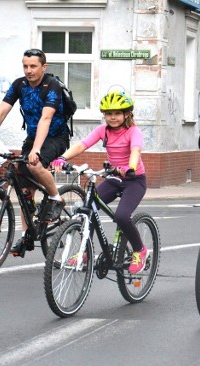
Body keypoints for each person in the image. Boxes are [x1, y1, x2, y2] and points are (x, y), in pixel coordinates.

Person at [0, 48, 69, 257]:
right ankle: (27, 236)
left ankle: (56, 198)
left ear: (44, 67)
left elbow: (46, 118)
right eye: (25, 66)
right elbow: (1, 112)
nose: (28, 70)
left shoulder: (51, 85)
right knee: (23, 187)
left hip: (55, 137)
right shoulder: (20, 84)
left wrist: (36, 149)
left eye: (33, 66)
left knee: (34, 164)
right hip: (33, 138)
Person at [51, 91, 148, 273]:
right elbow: (83, 145)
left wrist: (130, 167)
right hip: (112, 178)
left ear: (127, 114)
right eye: (109, 113)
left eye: (117, 113)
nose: (113, 117)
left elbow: (135, 150)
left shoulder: (133, 131)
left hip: (134, 180)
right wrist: (62, 158)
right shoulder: (102, 131)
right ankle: (84, 251)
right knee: (88, 207)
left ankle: (139, 250)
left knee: (121, 216)